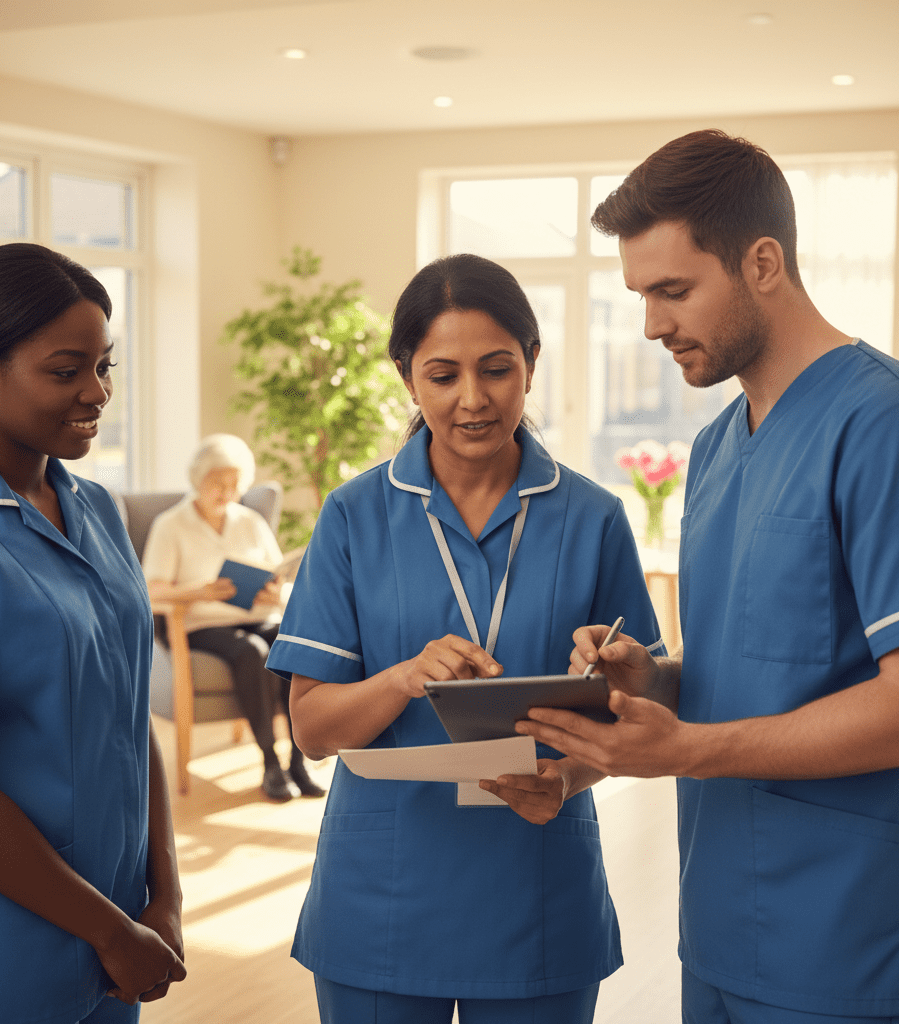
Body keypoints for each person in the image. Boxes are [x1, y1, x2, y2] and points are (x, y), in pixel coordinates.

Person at [516, 129, 899, 1023]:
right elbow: (758, 671)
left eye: (674, 290)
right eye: (641, 294)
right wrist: (654, 682)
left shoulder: (892, 425)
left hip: (847, 937)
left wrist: (685, 750)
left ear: (763, 261)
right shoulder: (718, 446)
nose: (650, 325)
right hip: (719, 923)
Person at [265, 253, 666, 1024]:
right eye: (443, 375)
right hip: (380, 892)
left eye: (497, 370)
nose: (473, 400)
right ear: (406, 376)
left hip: (538, 883)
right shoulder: (353, 516)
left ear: (532, 363)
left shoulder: (594, 518)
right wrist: (400, 678)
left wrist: (574, 770)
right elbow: (312, 731)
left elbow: (636, 712)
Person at [0, 242, 186, 1023]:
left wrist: (166, 898)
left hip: (122, 935)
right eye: (66, 369)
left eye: (105, 366)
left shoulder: (100, 512)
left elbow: (129, 712)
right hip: (6, 939)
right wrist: (111, 930)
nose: (96, 392)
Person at [142, 433, 326, 802]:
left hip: (257, 614)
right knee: (252, 652)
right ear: (198, 481)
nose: (227, 492)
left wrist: (277, 592)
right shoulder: (171, 524)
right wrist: (202, 591)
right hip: (203, 625)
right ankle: (270, 762)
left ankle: (298, 761)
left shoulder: (250, 522)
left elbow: (277, 574)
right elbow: (150, 590)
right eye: (217, 484)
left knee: (291, 648)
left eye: (234, 484)